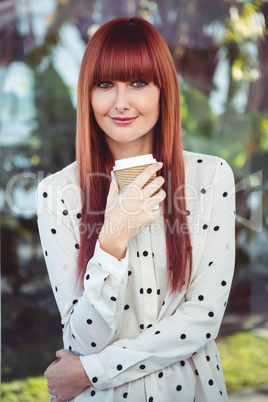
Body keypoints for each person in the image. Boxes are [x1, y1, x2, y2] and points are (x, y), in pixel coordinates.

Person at [36, 16, 236, 402]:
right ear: (88, 94)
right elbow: (83, 337)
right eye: (105, 84)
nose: (121, 103)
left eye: (139, 83)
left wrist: (90, 372)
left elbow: (202, 319)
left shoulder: (210, 178)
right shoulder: (58, 193)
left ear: (164, 91)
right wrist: (112, 239)